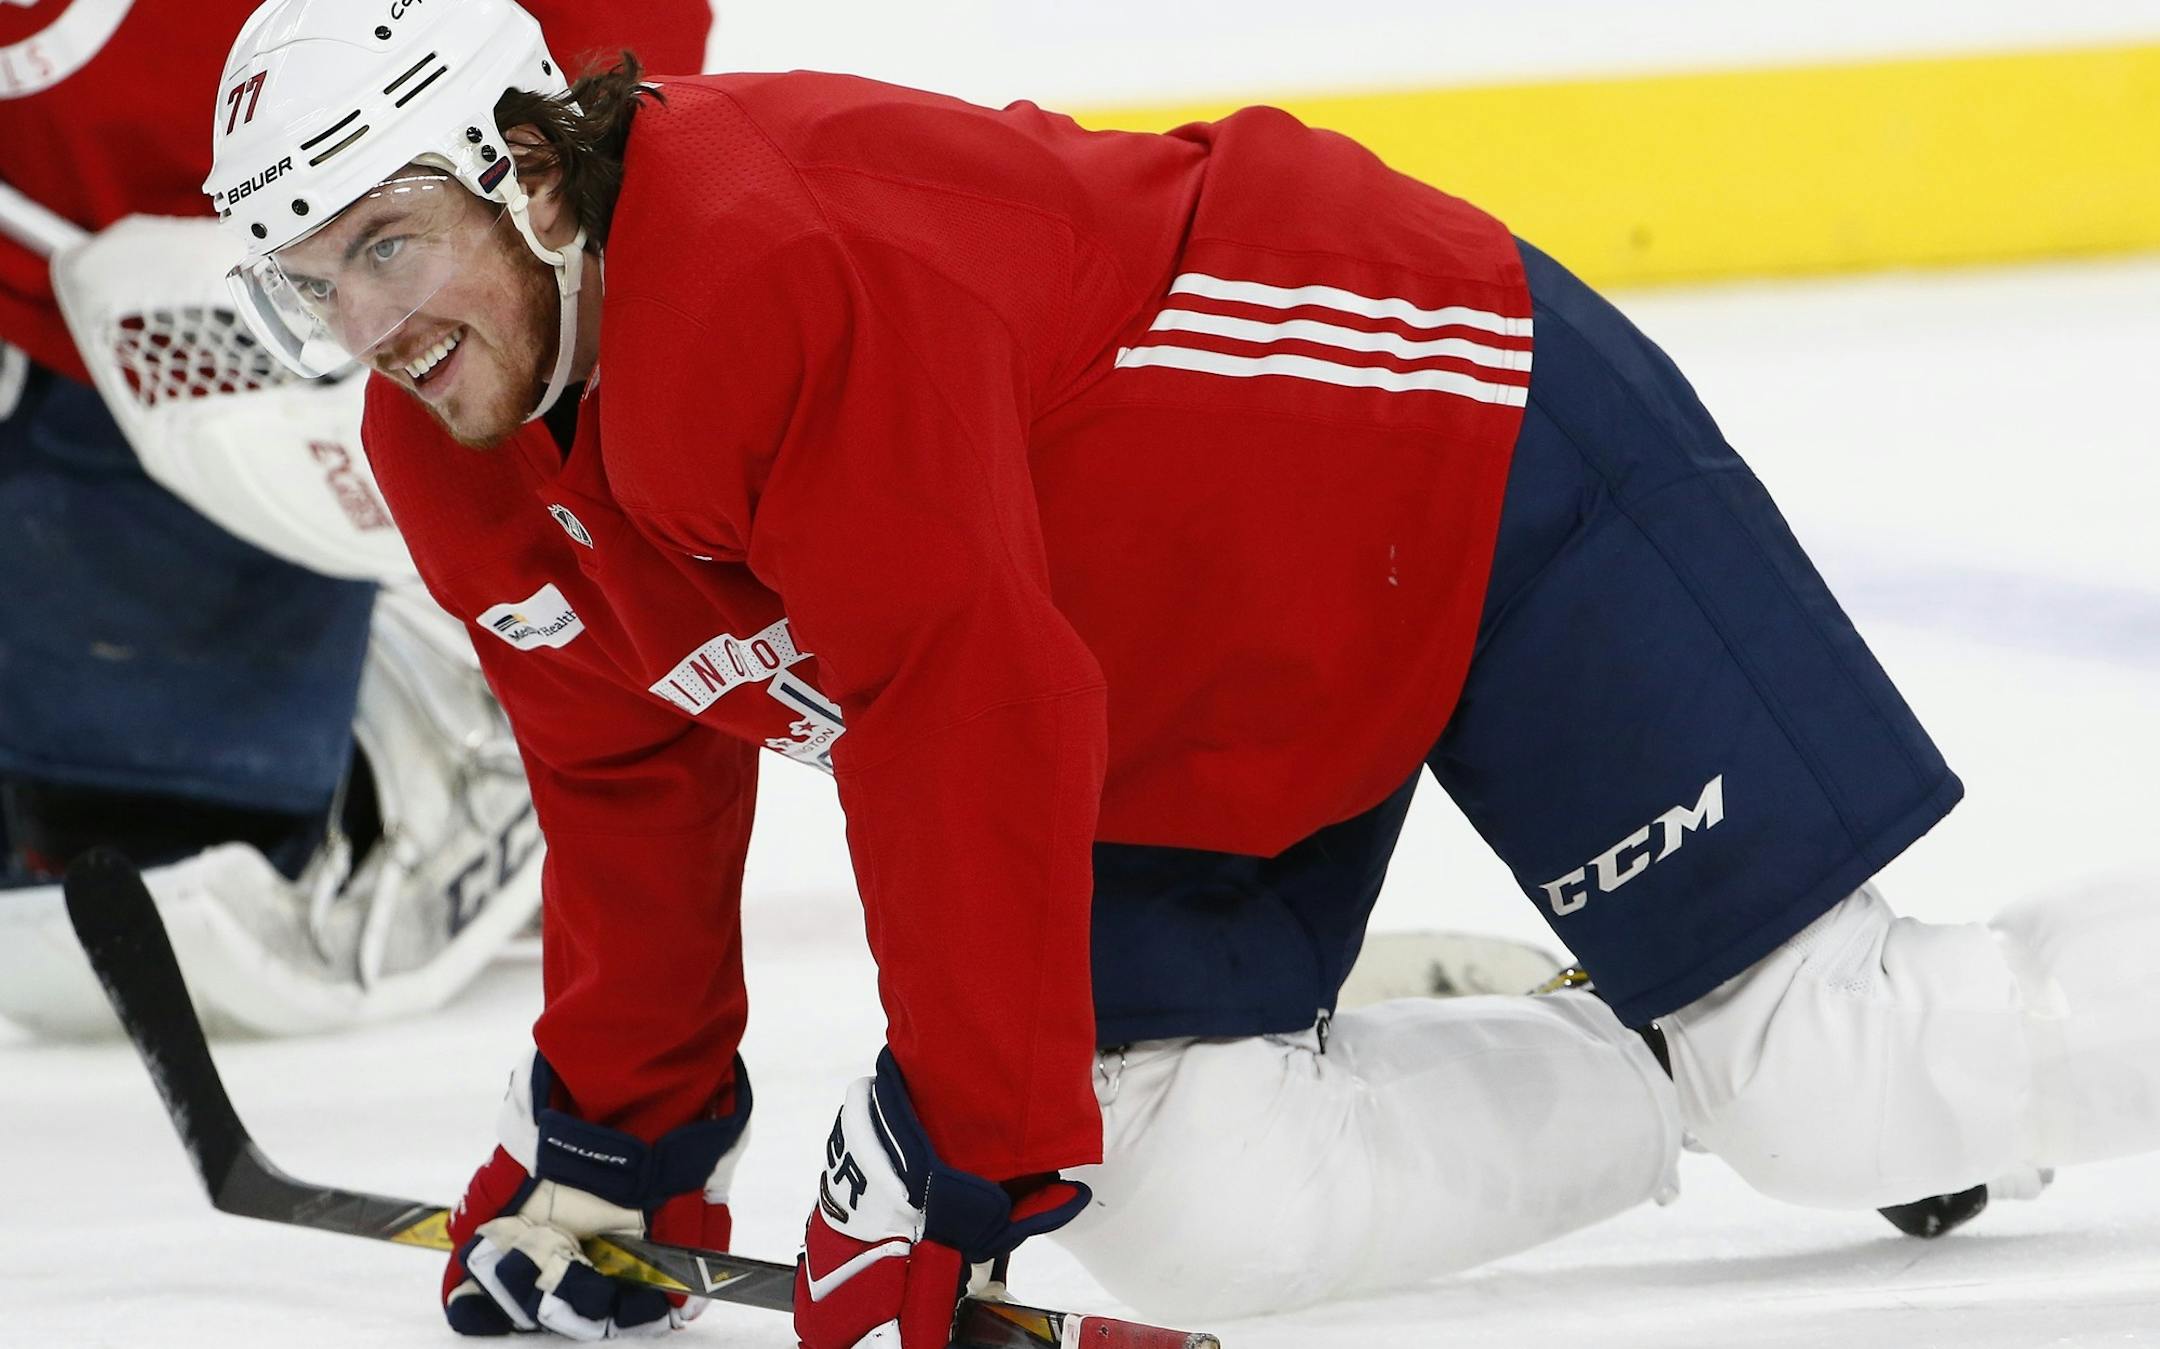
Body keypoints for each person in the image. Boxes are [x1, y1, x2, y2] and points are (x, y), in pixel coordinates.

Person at [206, 0, 2160, 1342]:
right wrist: (615, 1157)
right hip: (1178, 687)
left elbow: (964, 705)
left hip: (1438, 437)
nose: (364, 323)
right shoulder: (455, 450)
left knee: (1844, 1073)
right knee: (1158, 1189)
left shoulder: (763, 267)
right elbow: (630, 775)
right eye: (315, 278)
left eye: (389, 243)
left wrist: (962, 1163)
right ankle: (1655, 1049)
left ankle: (1772, 1032)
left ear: (529, 173)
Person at [0, 0, 710, 1035]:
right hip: (62, 298)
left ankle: (493, 678)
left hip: (294, 301)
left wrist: (576, 228)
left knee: (126, 853)